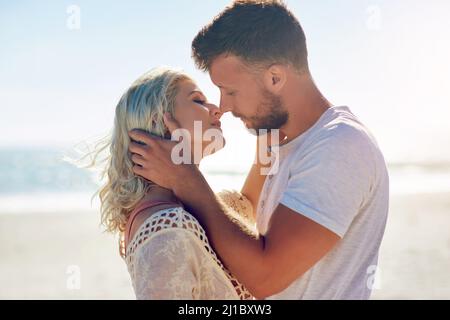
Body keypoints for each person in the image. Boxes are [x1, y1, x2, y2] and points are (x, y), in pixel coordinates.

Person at [128, 0, 389, 299]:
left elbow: (265, 276)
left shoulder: (340, 145)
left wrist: (186, 179)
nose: (223, 106)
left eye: (231, 91)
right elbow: (248, 207)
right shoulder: (284, 144)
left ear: (275, 78)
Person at [95, 67, 253, 299]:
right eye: (198, 100)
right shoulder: (166, 229)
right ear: (159, 121)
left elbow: (251, 204)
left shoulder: (186, 206)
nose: (217, 110)